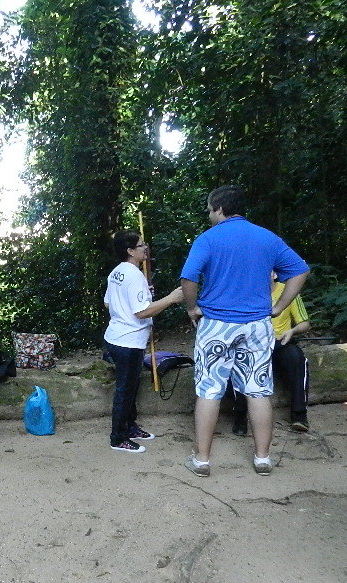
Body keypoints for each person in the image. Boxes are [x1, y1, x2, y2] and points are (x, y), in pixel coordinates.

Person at [180, 185, 309, 477]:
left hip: (216, 324)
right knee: (258, 390)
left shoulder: (208, 238)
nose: (209, 215)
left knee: (209, 390)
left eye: (210, 210)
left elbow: (188, 278)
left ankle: (202, 461)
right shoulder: (267, 238)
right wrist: (279, 307)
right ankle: (262, 459)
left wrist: (192, 308)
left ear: (219, 208)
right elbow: (300, 270)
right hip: (258, 325)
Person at [103, 229, 184, 453]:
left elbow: (109, 303)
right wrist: (171, 299)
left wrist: (142, 294)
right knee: (125, 390)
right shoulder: (134, 275)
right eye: (141, 245)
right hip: (128, 342)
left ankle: (130, 427)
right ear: (130, 251)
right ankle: (118, 438)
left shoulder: (117, 272)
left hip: (116, 338)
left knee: (131, 387)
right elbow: (142, 312)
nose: (145, 248)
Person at [231, 273, 312, 435]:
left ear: (274, 274)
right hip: (252, 344)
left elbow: (305, 323)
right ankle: (240, 416)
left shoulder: (288, 291)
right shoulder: (245, 292)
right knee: (237, 363)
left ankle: (299, 415)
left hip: (280, 341)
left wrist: (292, 331)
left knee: (297, 358)